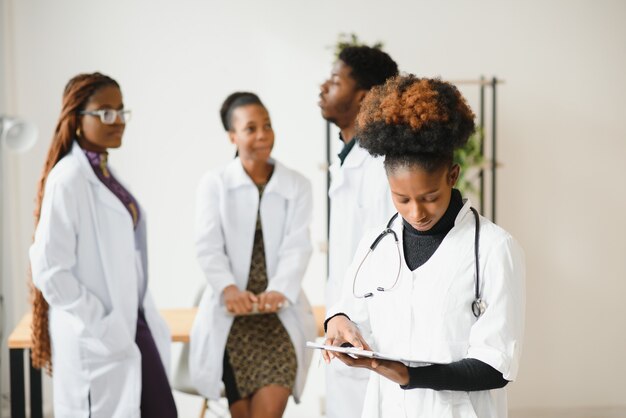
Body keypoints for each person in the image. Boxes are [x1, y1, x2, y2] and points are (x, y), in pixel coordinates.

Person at [322, 75, 526, 417]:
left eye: (429, 198)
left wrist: (410, 375)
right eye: (401, 199)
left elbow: (496, 367)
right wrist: (339, 324)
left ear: (453, 175)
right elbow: (351, 316)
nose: (416, 213)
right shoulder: (375, 242)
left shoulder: (494, 248)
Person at [29, 72, 177, 417]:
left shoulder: (103, 175)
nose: (119, 121)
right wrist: (102, 323)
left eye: (122, 111)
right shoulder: (69, 179)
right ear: (78, 120)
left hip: (130, 323)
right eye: (106, 113)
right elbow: (49, 270)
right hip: (100, 334)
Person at [189, 92, 316, 418]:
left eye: (267, 126)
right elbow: (207, 245)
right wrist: (228, 288)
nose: (262, 135)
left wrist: (280, 290)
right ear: (233, 136)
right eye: (250, 128)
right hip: (234, 320)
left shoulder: (297, 185)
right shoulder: (215, 184)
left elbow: (298, 245)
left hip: (278, 316)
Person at [318, 45, 399, 418]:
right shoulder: (350, 159)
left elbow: (385, 259)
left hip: (365, 333)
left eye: (335, 81)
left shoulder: (378, 167)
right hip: (345, 328)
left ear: (362, 96)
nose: (323, 87)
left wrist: (351, 317)